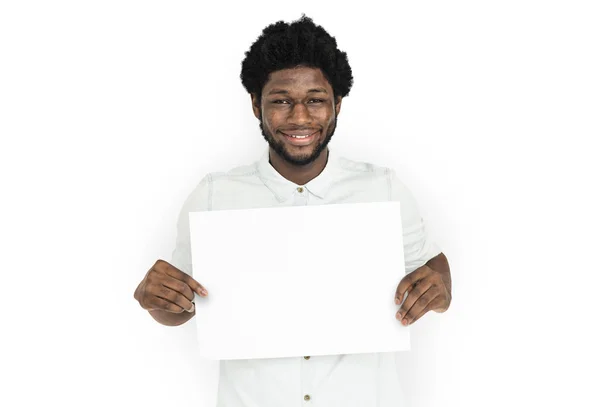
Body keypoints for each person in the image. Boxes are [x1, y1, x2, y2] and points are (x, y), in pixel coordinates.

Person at [134, 15, 452, 407]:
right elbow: (180, 308)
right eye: (281, 100)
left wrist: (438, 292)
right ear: (255, 104)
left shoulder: (383, 188)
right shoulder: (215, 195)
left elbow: (434, 270)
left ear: (337, 103)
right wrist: (157, 299)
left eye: (315, 100)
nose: (300, 117)